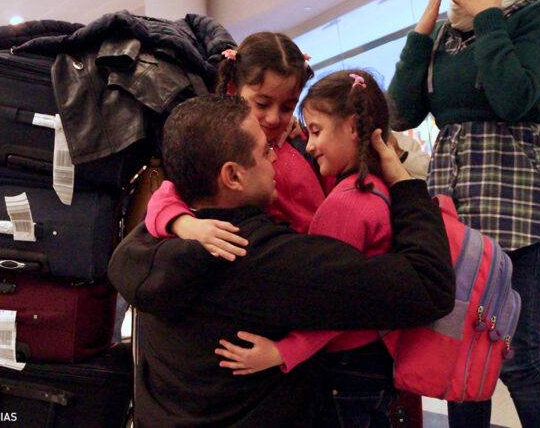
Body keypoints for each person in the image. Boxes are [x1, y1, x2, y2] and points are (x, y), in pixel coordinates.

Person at [107, 93, 455, 428]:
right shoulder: (265, 260)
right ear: (232, 175)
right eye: (263, 151)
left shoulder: (153, 237)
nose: (276, 158)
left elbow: (127, 250)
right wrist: (405, 186)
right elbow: (429, 285)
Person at [387, 0, 540, 428]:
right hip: (455, 213)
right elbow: (401, 111)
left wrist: (488, 15)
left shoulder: (533, 16)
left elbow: (513, 98)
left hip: (516, 207)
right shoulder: (443, 36)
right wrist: (421, 33)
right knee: (462, 353)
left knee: (516, 357)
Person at [215, 70, 399, 427]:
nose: (310, 145)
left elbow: (330, 303)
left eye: (316, 131)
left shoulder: (346, 204)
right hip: (374, 359)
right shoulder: (377, 187)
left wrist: (281, 352)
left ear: (352, 128)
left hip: (347, 365)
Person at [144, 31, 326, 258]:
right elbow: (164, 198)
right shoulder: (215, 148)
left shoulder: (303, 142)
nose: (273, 118)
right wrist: (186, 225)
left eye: (287, 107)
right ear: (232, 88)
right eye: (262, 103)